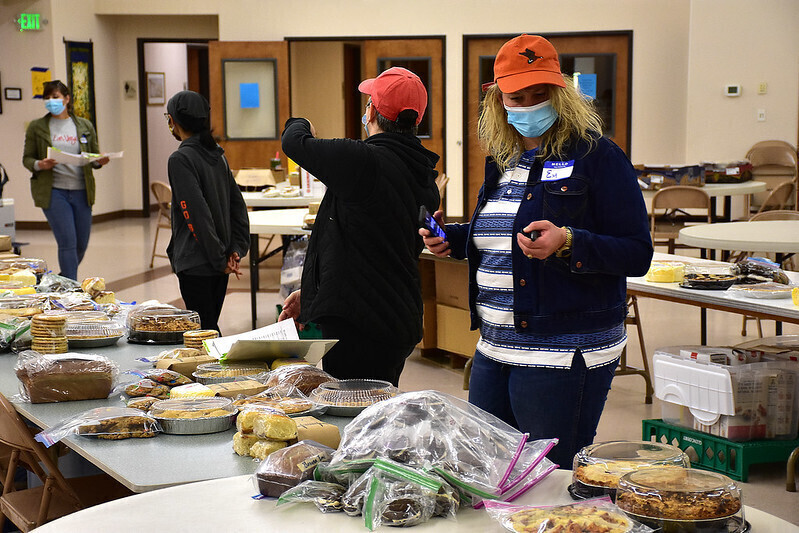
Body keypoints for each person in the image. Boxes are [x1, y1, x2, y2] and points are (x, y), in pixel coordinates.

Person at [420, 35, 653, 467]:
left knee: (549, 481)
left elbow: (637, 252)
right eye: (517, 96)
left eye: (539, 95)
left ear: (561, 94)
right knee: (492, 474)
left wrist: (568, 242)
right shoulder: (504, 161)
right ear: (498, 101)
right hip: (495, 346)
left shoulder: (597, 156)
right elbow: (508, 230)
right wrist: (455, 239)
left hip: (563, 351)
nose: (528, 105)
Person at [278, 67, 440, 387]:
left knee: (354, 417)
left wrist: (302, 122)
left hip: (361, 325)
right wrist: (312, 293)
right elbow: (366, 243)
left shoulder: (363, 161)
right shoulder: (422, 172)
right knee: (375, 413)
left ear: (373, 112)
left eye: (368, 104)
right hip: (394, 318)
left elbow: (293, 141)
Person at [165, 90, 249, 333]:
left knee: (204, 332)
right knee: (209, 325)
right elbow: (238, 207)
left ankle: (216, 371)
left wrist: (219, 258)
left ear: (173, 121)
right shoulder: (216, 154)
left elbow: (195, 215)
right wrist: (235, 249)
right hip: (218, 259)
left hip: (198, 262)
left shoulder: (181, 158)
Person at [22, 80, 110, 280]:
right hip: (54, 192)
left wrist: (100, 161)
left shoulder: (84, 125)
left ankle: (61, 281)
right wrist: (40, 164)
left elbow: (93, 158)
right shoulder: (37, 127)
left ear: (67, 98)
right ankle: (72, 288)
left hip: (82, 191)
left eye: (55, 97)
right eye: (47, 98)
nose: (51, 101)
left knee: (81, 244)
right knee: (67, 242)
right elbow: (27, 158)